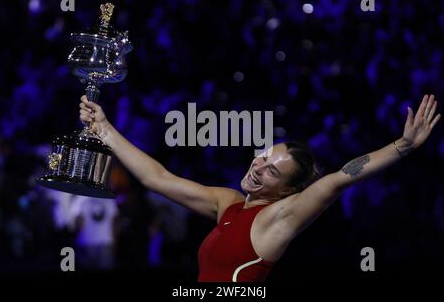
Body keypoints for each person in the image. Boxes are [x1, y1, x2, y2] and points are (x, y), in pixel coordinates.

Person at [79, 94, 440, 281]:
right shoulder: (229, 202)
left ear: (286, 191)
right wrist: (105, 130)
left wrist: (402, 146)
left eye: (270, 172)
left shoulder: (281, 216)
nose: (257, 167)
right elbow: (157, 179)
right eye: (263, 157)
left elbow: (340, 179)